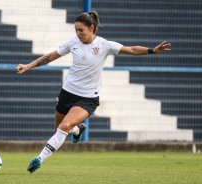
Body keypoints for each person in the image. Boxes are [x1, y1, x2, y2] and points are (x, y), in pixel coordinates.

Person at [16, 10, 171, 174]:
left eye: (80, 30)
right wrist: (28, 66)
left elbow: (131, 49)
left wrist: (152, 50)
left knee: (65, 125)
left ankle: (39, 159)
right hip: (67, 93)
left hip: (87, 99)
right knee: (60, 130)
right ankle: (78, 130)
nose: (77, 33)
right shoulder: (73, 42)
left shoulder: (104, 45)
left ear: (92, 28)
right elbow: (50, 57)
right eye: (75, 30)